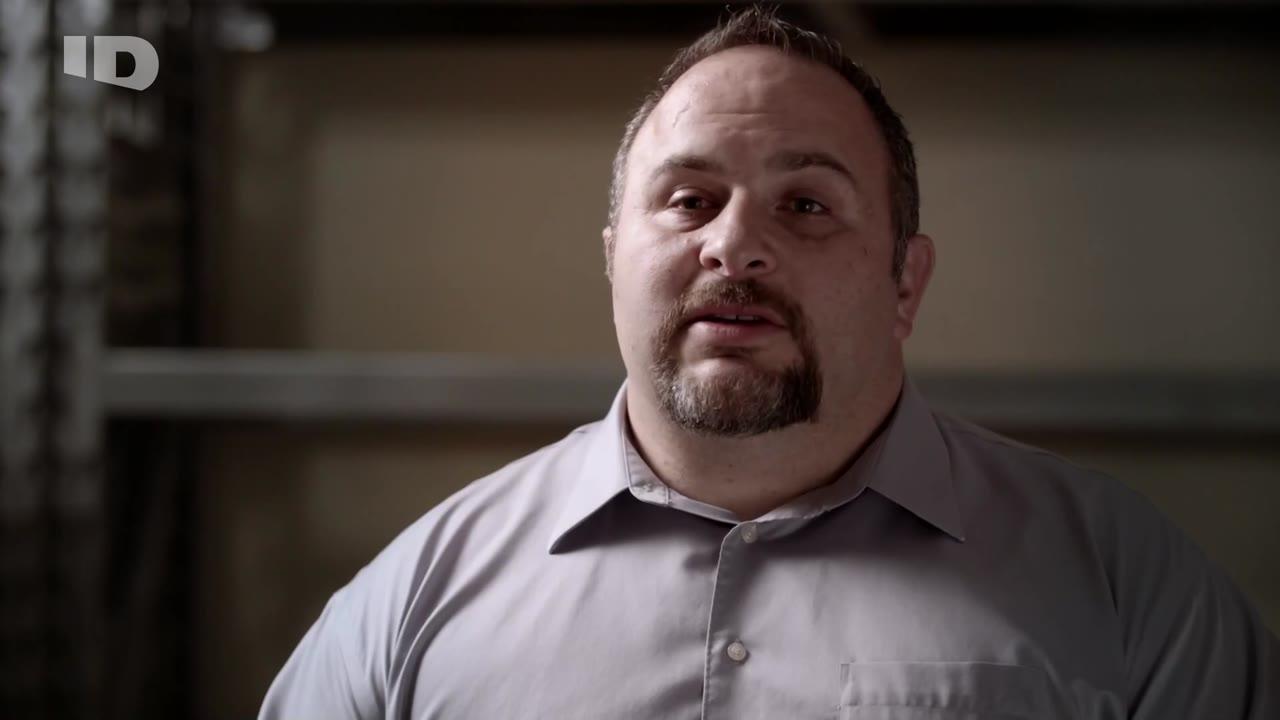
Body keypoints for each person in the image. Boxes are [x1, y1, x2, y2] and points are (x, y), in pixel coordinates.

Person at [259, 6, 1278, 718]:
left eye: (805, 204)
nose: (734, 246)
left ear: (904, 281)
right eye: (688, 201)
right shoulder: (411, 602)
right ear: (614, 258)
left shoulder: (1125, 586)